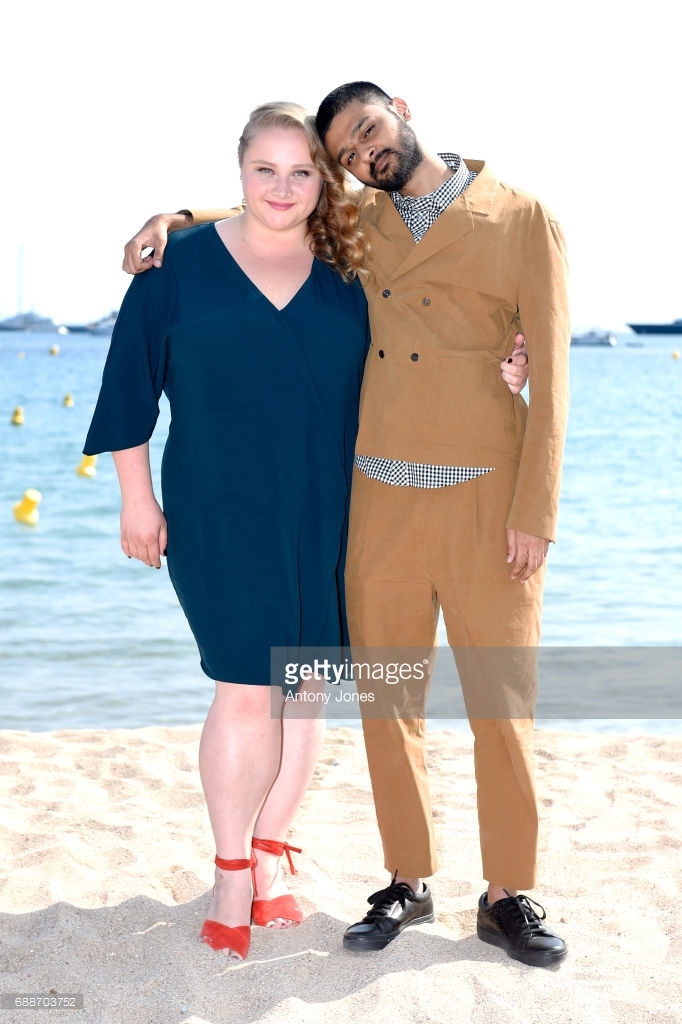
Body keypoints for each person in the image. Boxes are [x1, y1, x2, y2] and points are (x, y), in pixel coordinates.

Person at [121, 84, 562, 967]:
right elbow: (272, 209)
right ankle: (408, 879)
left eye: (368, 132)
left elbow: (549, 372)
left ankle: (510, 892)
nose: (364, 155)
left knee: (500, 707)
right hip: (380, 500)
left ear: (399, 110)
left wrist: (534, 512)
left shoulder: (521, 216)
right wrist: (171, 216)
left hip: (486, 495)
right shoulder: (356, 220)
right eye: (348, 155)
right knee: (389, 705)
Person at [83, 101, 372, 962]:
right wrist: (137, 501)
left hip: (335, 507)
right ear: (238, 171)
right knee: (246, 686)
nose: (281, 188)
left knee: (308, 684)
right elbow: (128, 392)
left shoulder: (354, 265)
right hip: (218, 505)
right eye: (264, 170)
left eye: (301, 171)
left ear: (325, 179)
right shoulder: (176, 266)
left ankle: (274, 850)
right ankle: (233, 870)